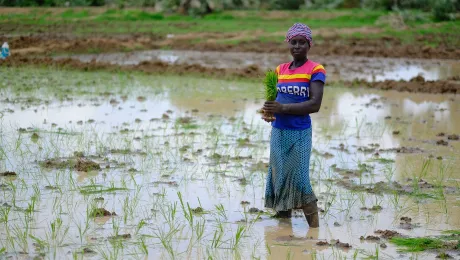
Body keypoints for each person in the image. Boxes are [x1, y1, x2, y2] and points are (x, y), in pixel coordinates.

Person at [262, 23, 326, 228]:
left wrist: (283, 108)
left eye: (302, 42)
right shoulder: (280, 69)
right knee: (279, 175)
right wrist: (269, 110)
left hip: (299, 132)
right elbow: (275, 99)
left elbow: (315, 104)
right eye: (293, 42)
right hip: (278, 131)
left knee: (299, 179)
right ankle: (283, 230)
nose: (297, 46)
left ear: (309, 45)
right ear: (288, 44)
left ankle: (314, 229)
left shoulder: (315, 69)